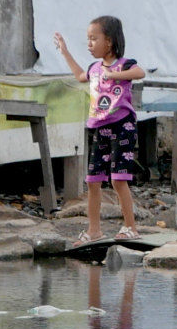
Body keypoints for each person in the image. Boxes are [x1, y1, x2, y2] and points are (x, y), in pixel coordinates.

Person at [53, 16, 145, 241]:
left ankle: (130, 228)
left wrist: (114, 75)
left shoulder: (124, 64)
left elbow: (139, 73)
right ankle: (94, 231)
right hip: (100, 128)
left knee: (118, 179)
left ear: (110, 42)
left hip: (122, 126)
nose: (89, 44)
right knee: (93, 181)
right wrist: (64, 51)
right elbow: (78, 76)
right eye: (88, 39)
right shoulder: (94, 68)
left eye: (94, 39)